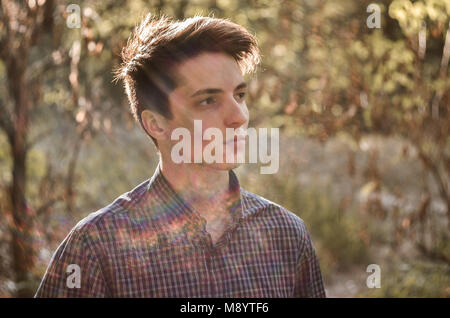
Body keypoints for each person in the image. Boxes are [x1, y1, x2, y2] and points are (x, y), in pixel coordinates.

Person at [35, 14, 326, 298]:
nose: (238, 117)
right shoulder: (96, 247)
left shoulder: (286, 234)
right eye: (208, 100)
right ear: (156, 124)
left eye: (239, 95)